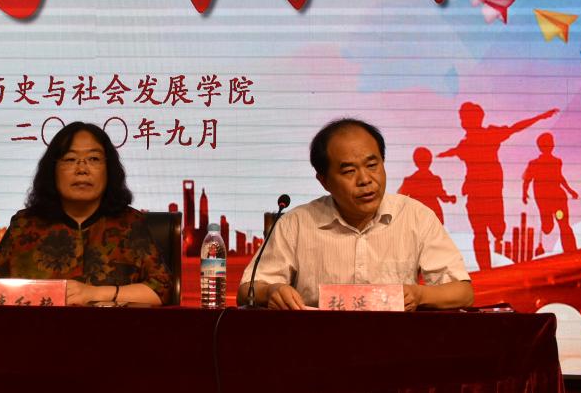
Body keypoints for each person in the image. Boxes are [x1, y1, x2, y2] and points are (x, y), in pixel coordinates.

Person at [237, 118, 473, 311]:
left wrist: (419, 295)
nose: (365, 180)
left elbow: (463, 292)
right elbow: (247, 290)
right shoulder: (296, 224)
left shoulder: (416, 217)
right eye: (349, 171)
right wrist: (272, 291)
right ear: (324, 180)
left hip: (396, 346)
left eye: (372, 165)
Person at [0, 122, 172, 306]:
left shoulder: (130, 223)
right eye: (70, 159)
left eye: (94, 159)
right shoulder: (25, 224)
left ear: (109, 169)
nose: (82, 169)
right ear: (53, 170)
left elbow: (161, 288)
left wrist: (94, 294)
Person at [438, 102, 558, 271]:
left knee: (498, 229)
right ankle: (485, 269)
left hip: (492, 192)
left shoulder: (491, 134)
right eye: (462, 118)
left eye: (465, 117)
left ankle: (497, 234)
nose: (463, 121)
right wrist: (439, 155)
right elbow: (453, 152)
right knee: (479, 232)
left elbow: (515, 128)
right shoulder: (464, 144)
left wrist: (540, 117)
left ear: (477, 118)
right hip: (474, 194)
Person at [521, 133, 578, 253]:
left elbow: (560, 177)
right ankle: (547, 222)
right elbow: (527, 180)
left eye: (551, 142)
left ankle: (571, 251)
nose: (550, 145)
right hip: (544, 199)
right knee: (548, 228)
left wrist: (570, 190)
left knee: (564, 224)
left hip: (558, 198)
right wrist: (524, 193)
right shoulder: (534, 163)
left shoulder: (557, 162)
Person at [397, 146, 456, 223]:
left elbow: (400, 197)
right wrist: (451, 199)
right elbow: (443, 197)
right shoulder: (435, 179)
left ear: (415, 161)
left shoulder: (409, 180)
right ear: (430, 161)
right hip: (433, 214)